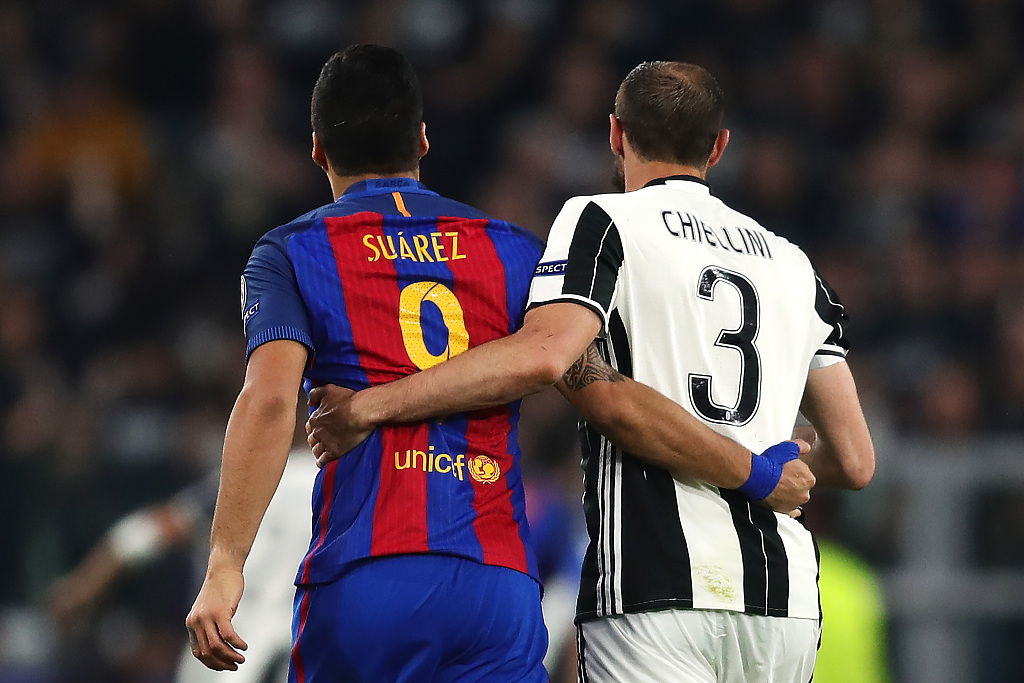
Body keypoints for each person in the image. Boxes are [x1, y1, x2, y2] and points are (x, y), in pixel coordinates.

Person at [307, 60, 875, 682]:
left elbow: (546, 356)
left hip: (656, 590)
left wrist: (369, 406)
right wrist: (765, 458)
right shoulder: (794, 264)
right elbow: (854, 460)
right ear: (718, 147)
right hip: (783, 604)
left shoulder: (604, 221)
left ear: (615, 134)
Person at [184, 44, 551, 682]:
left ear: (318, 150)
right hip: (499, 582)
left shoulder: (292, 252)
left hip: (369, 576)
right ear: (423, 140)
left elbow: (269, 401)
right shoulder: (515, 249)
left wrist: (224, 567)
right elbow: (589, 380)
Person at [50, 450, 316, 683]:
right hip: (301, 643)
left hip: (226, 641)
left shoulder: (259, 473)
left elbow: (152, 531)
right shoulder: (333, 485)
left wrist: (84, 586)